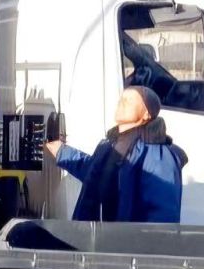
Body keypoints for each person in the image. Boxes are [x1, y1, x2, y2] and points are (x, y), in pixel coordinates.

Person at [44, 86, 187, 223]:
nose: (122, 102)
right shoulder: (110, 145)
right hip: (95, 236)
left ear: (146, 114)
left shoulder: (157, 156)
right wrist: (62, 152)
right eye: (121, 99)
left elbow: (162, 216)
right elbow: (94, 172)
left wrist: (135, 240)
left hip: (125, 239)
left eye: (129, 100)